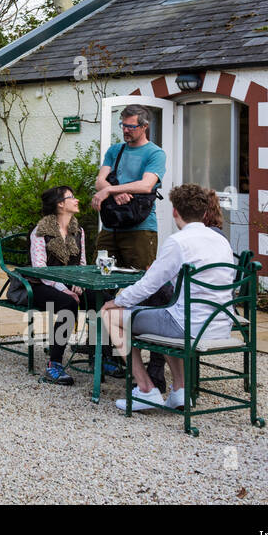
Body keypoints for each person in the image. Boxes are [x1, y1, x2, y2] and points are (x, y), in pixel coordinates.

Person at [100, 184, 236, 413]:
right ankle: (180, 391)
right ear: (204, 213)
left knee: (110, 315)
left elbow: (148, 285)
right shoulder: (222, 241)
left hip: (189, 326)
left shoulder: (178, 242)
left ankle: (145, 389)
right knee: (163, 313)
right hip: (220, 324)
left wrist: (117, 302)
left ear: (175, 212)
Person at [91, 103, 169, 390]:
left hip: (140, 230)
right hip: (110, 228)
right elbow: (100, 178)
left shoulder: (155, 153)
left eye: (131, 126)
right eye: (123, 126)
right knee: (101, 283)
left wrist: (114, 189)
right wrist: (111, 188)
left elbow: (148, 186)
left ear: (144, 126)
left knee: (149, 288)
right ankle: (105, 354)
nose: (125, 130)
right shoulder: (115, 150)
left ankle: (156, 364)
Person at [28, 185, 87, 386]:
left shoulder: (78, 231)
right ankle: (54, 365)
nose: (76, 200)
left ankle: (104, 356)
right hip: (40, 286)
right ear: (60, 204)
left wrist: (80, 284)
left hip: (71, 284)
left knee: (104, 299)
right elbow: (40, 270)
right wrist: (65, 289)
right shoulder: (40, 232)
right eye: (72, 197)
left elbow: (82, 264)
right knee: (68, 304)